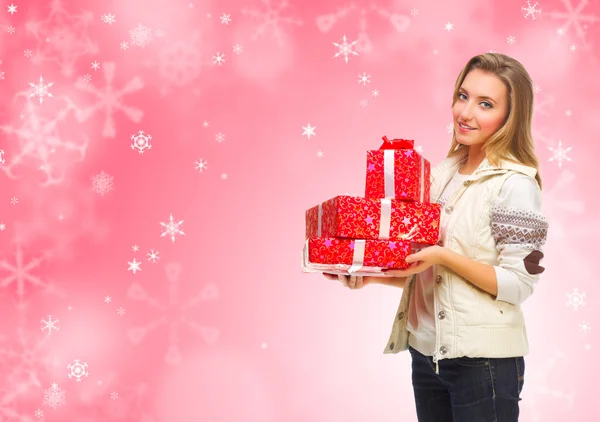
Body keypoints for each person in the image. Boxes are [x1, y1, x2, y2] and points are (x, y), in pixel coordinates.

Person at [323, 52, 549, 422]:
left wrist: (443, 255)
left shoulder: (516, 186)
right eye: (463, 96)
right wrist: (370, 276)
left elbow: (519, 283)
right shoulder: (440, 175)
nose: (466, 112)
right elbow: (434, 276)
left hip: (483, 364)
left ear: (510, 117)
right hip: (427, 355)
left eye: (486, 104)